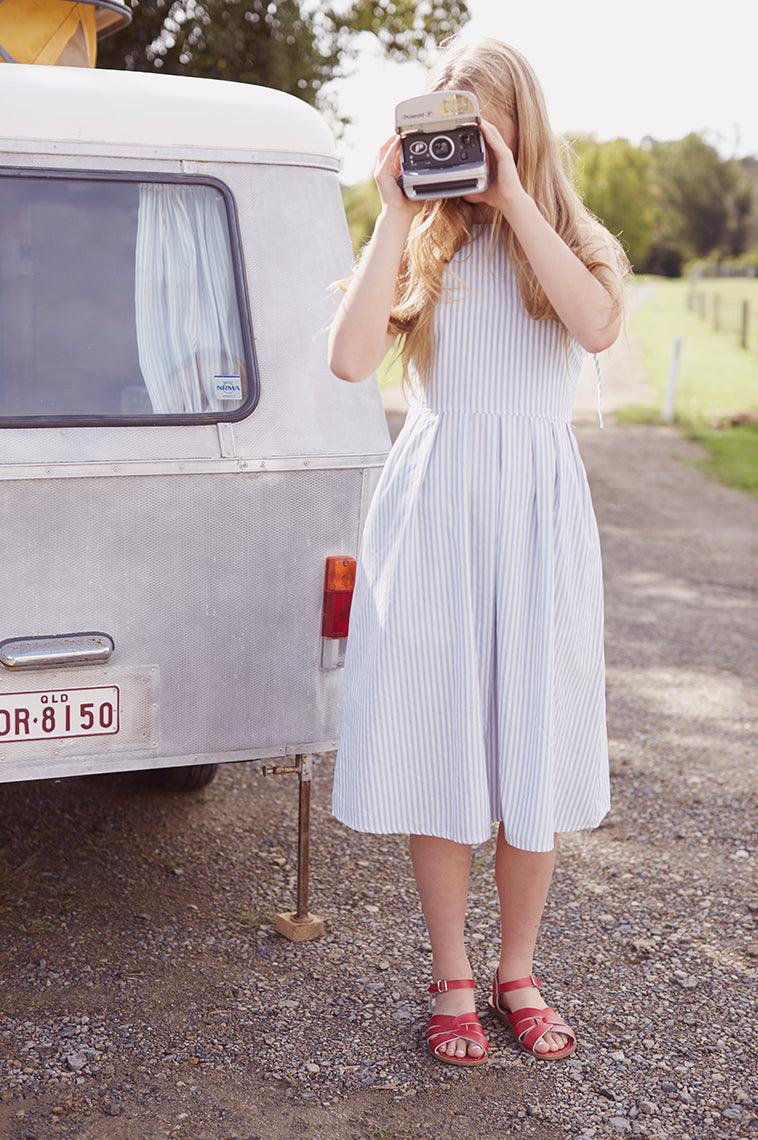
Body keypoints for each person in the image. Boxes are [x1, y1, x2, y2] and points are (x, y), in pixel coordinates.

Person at [326, 35, 631, 1067]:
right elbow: (349, 360)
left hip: (535, 515)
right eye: (440, 125)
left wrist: (513, 201)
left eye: (476, 124)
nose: (458, 142)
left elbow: (591, 325)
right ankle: (451, 973)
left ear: (516, 126)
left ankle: (518, 971)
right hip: (438, 511)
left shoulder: (568, 238)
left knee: (530, 743)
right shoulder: (423, 245)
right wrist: (393, 212)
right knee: (442, 736)